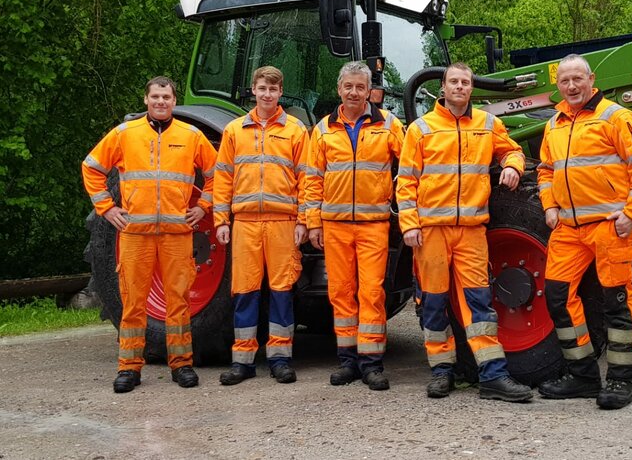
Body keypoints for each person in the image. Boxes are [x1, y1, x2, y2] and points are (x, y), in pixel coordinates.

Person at [396, 62, 534, 402]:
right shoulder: (421, 129)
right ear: (442, 88)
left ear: (472, 89)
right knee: (433, 303)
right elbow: (406, 180)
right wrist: (410, 224)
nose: (460, 87)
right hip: (431, 232)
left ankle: (492, 375)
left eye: (465, 82)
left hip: (471, 231)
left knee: (479, 304)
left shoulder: (488, 124)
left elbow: (513, 150)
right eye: (453, 81)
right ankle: (442, 372)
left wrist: (514, 167)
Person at [536, 54, 632, 410]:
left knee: (616, 304)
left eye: (577, 79)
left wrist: (631, 215)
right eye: (564, 81)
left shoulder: (617, 117)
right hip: (568, 231)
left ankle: (621, 382)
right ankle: (583, 375)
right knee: (558, 298)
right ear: (557, 85)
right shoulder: (554, 124)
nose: (572, 87)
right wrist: (549, 207)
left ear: (591, 79)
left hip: (609, 227)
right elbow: (545, 170)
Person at [82, 76, 217, 393]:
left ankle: (182, 364)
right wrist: (107, 208)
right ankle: (129, 368)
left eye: (166, 97)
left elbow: (217, 174)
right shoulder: (125, 134)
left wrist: (203, 207)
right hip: (135, 233)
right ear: (146, 100)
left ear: (174, 101)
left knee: (178, 301)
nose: (160, 102)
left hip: (176, 233)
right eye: (155, 96)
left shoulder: (192, 135)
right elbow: (91, 167)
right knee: (133, 301)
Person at [304, 61, 405, 391]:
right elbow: (312, 180)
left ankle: (372, 363)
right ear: (339, 89)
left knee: (372, 293)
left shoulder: (389, 125)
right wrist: (313, 223)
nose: (354, 92)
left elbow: (409, 167)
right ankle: (347, 361)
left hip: (373, 224)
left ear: (369, 90)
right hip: (334, 226)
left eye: (360, 87)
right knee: (341, 294)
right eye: (348, 86)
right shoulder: (322, 130)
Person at [213, 65, 308, 386]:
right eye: (262, 88)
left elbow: (307, 180)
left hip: (283, 222)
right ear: (253, 90)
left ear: (281, 92)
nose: (267, 94)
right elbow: (223, 178)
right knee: (245, 290)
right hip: (245, 224)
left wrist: (303, 220)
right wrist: (221, 219)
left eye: (273, 89)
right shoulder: (234, 131)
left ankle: (280, 358)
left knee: (282, 290)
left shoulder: (296, 131)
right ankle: (243, 360)